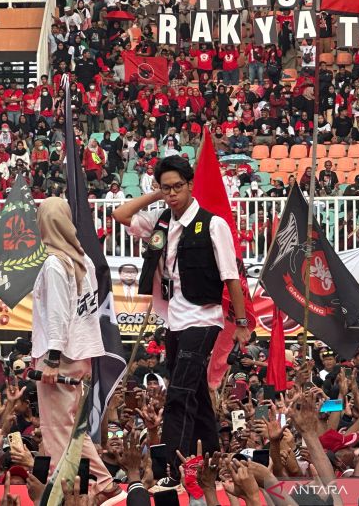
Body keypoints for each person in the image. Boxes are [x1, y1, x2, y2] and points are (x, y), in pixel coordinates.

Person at [112, 155, 248, 487]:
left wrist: (241, 322)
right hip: (174, 319)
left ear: (190, 185)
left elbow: (231, 278)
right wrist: (157, 195)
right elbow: (121, 214)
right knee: (198, 394)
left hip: (203, 318)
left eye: (177, 187)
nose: (172, 194)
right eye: (166, 188)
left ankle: (172, 470)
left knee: (179, 394)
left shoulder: (212, 223)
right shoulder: (161, 222)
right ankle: (216, 463)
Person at [32, 197, 120, 501]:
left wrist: (52, 360)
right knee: (71, 429)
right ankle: (103, 482)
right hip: (81, 352)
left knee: (57, 431)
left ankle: (65, 492)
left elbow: (57, 314)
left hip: (61, 356)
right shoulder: (82, 259)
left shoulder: (55, 263)